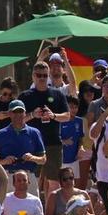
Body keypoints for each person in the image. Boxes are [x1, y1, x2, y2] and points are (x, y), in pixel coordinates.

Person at [18, 61, 70, 199]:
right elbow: (16, 121)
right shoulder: (25, 96)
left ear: (48, 76)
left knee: (54, 183)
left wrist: (53, 115)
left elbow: (67, 116)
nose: (42, 78)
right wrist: (32, 115)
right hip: (30, 144)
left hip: (53, 144)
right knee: (29, 181)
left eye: (45, 75)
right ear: (33, 76)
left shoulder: (57, 94)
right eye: (39, 75)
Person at [0, 100, 46, 195]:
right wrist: (4, 161)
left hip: (28, 177)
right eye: (14, 112)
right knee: (6, 209)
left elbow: (43, 159)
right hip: (7, 176)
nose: (18, 114)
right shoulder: (0, 134)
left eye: (20, 111)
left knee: (31, 209)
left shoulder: (34, 133)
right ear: (9, 114)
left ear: (25, 113)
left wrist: (32, 158)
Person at [60, 95, 85, 180]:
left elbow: (80, 138)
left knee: (72, 182)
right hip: (60, 160)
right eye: (71, 107)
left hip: (74, 159)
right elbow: (51, 139)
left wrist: (80, 148)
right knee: (58, 184)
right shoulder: (58, 121)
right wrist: (64, 141)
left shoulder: (79, 121)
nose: (73, 110)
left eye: (75, 107)